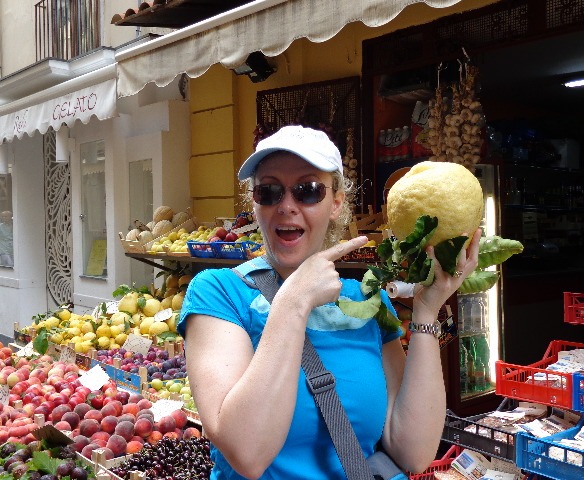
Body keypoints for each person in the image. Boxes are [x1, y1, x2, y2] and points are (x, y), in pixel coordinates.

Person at [179, 125, 480, 479]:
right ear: (255, 202)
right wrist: (292, 303)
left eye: (308, 191)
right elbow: (247, 452)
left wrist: (427, 310)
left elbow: (414, 453)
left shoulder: (367, 301)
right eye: (269, 190)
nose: (286, 206)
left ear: (336, 203)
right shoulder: (218, 292)